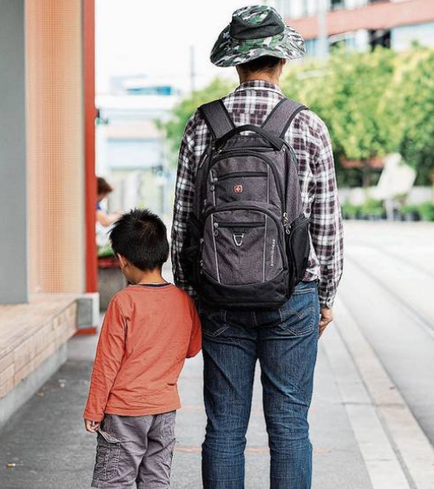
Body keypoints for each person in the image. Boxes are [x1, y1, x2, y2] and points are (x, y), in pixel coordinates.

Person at [171, 5, 343, 489]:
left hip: (219, 295)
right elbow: (327, 224)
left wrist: (190, 290)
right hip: (292, 296)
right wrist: (324, 295)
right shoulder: (307, 125)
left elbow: (184, 219)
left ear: (236, 62)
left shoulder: (201, 125)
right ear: (281, 61)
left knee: (224, 427)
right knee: (289, 426)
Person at [84, 209, 202, 489]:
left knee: (114, 481)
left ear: (123, 260)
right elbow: (193, 347)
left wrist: (94, 409)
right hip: (163, 410)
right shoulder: (183, 301)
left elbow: (106, 363)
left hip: (125, 411)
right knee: (156, 481)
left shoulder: (123, 302)